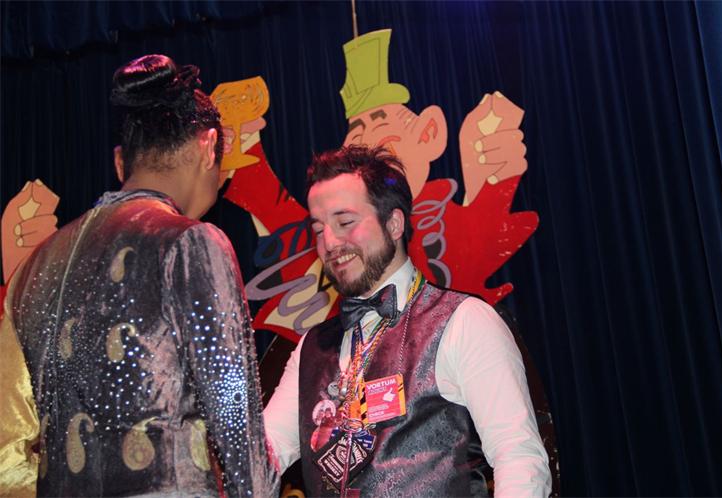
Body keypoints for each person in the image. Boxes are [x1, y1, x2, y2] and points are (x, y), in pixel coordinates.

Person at [0, 54, 278, 498]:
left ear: (120, 162)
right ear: (208, 147)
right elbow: (236, 424)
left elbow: (7, 451)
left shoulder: (31, 269)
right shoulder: (190, 243)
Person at [264, 145, 551, 497]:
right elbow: (263, 455)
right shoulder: (311, 347)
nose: (330, 243)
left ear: (394, 223)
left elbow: (519, 458)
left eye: (345, 222)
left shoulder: (463, 321)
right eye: (319, 229)